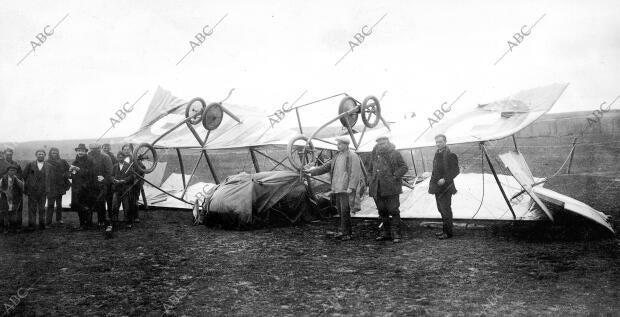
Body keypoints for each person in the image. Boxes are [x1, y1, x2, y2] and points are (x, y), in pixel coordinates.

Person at [305, 137, 363, 241]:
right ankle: (345, 232)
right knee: (340, 210)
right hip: (337, 188)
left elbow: (355, 172)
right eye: (338, 144)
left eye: (340, 144)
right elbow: (325, 167)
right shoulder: (336, 157)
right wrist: (311, 172)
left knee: (345, 210)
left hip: (346, 189)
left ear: (346, 145)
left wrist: (351, 187)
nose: (338, 146)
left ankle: (347, 234)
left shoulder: (352, 156)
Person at [368, 134, 408, 243]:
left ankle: (397, 234)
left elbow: (404, 167)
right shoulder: (374, 155)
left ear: (388, 142)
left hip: (391, 188)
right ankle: (386, 233)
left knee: (394, 211)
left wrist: (395, 176)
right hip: (377, 188)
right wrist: (371, 180)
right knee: (382, 212)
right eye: (379, 143)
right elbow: (370, 170)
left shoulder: (395, 153)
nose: (381, 145)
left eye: (383, 143)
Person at [428, 134, 460, 239]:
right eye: (437, 142)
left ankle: (448, 233)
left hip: (446, 187)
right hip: (437, 187)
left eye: (440, 142)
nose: (438, 144)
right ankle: (444, 231)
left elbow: (456, 171)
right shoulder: (437, 155)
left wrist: (445, 179)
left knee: (446, 210)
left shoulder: (451, 155)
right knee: (440, 209)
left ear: (445, 142)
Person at [87, 143, 113, 228]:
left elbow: (109, 171)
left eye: (96, 149)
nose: (94, 151)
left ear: (99, 148)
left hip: (102, 184)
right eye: (92, 149)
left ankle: (101, 220)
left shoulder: (105, 157)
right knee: (91, 202)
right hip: (91, 184)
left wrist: (104, 179)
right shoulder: (88, 156)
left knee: (101, 202)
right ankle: (89, 222)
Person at [70, 144, 94, 229]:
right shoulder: (74, 162)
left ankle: (88, 224)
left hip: (87, 187)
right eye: (79, 150)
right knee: (79, 206)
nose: (80, 152)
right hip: (77, 188)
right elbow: (72, 176)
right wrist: (71, 172)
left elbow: (90, 173)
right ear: (76, 151)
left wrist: (78, 169)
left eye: (82, 151)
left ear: (85, 152)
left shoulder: (89, 161)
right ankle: (82, 224)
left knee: (87, 206)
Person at [45, 147, 70, 225]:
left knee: (59, 204)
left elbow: (68, 170)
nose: (54, 154)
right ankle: (48, 221)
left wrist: (64, 175)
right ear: (50, 153)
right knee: (50, 204)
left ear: (58, 153)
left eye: (56, 152)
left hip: (59, 185)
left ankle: (59, 219)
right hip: (51, 186)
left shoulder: (62, 162)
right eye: (53, 152)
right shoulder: (46, 162)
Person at [23, 149, 48, 230]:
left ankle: (42, 225)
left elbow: (50, 179)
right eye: (39, 154)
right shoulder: (30, 164)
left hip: (43, 191)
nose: (41, 155)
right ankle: (32, 225)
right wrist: (28, 186)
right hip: (32, 191)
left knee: (42, 208)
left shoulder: (48, 166)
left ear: (45, 155)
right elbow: (24, 176)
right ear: (36, 155)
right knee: (32, 208)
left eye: (42, 154)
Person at [0, 147, 23, 230]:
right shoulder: (1, 164)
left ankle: (16, 225)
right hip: (3, 188)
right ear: (4, 154)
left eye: (10, 154)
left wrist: (15, 180)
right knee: (3, 208)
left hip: (15, 189)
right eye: (7, 154)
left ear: (12, 155)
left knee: (15, 207)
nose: (9, 156)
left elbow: (20, 175)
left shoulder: (16, 164)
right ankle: (2, 226)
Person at [110, 152, 134, 230]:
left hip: (125, 190)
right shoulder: (115, 166)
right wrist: (114, 180)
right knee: (114, 206)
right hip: (116, 190)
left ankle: (128, 223)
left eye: (122, 157)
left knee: (126, 206)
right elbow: (111, 176)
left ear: (124, 157)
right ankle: (114, 222)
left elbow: (131, 177)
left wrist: (124, 180)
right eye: (119, 157)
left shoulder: (128, 166)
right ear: (117, 158)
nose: (120, 158)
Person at [102, 143, 117, 219]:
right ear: (102, 148)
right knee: (102, 200)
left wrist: (112, 176)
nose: (106, 149)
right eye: (104, 147)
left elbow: (116, 165)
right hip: (102, 180)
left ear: (109, 148)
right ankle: (103, 217)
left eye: (107, 147)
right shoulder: (100, 156)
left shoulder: (112, 157)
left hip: (109, 180)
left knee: (109, 199)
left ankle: (110, 216)